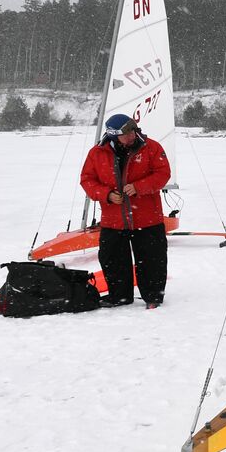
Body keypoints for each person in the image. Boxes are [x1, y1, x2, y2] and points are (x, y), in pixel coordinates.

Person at [80, 113, 172, 307]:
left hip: (147, 219)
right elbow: (87, 180)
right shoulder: (96, 153)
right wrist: (106, 194)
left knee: (152, 260)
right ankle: (119, 296)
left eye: (133, 131)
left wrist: (139, 187)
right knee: (112, 260)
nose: (132, 136)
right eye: (126, 134)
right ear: (113, 135)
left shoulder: (151, 147)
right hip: (113, 220)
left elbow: (163, 174)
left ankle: (153, 297)